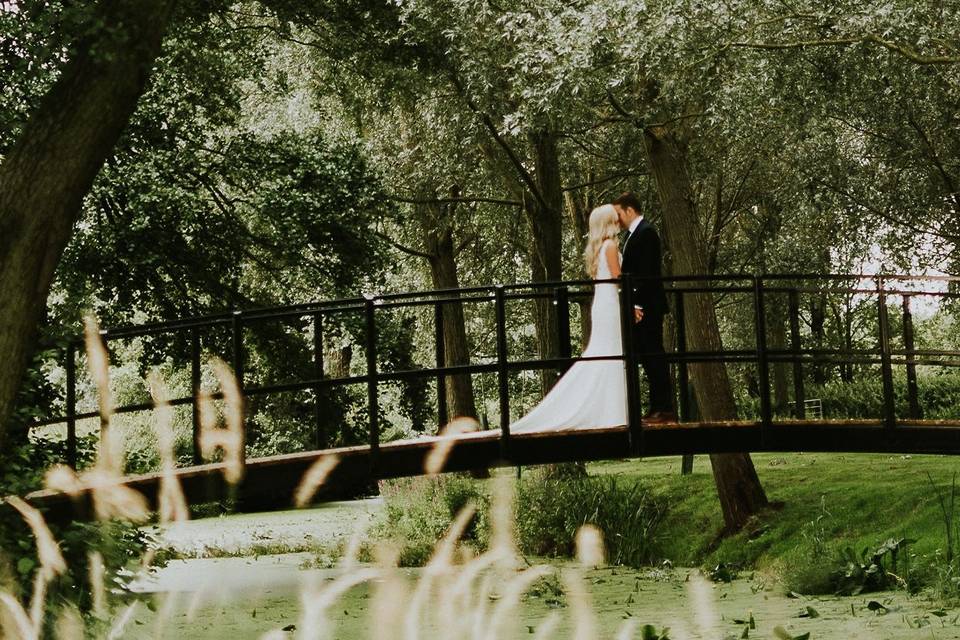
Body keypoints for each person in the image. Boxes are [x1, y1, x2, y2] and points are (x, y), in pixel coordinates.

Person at [511, 204, 627, 432]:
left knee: (603, 354)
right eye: (615, 220)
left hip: (602, 304)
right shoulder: (611, 246)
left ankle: (610, 411)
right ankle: (613, 413)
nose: (619, 224)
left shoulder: (597, 248)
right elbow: (619, 279)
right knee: (611, 353)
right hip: (611, 305)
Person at [613, 192, 676, 424]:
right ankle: (656, 407)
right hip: (642, 305)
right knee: (648, 357)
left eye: (619, 214)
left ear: (630, 210)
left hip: (648, 306)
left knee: (654, 354)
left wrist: (636, 304)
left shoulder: (646, 233)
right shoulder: (634, 234)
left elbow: (647, 272)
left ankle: (665, 408)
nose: (617, 220)